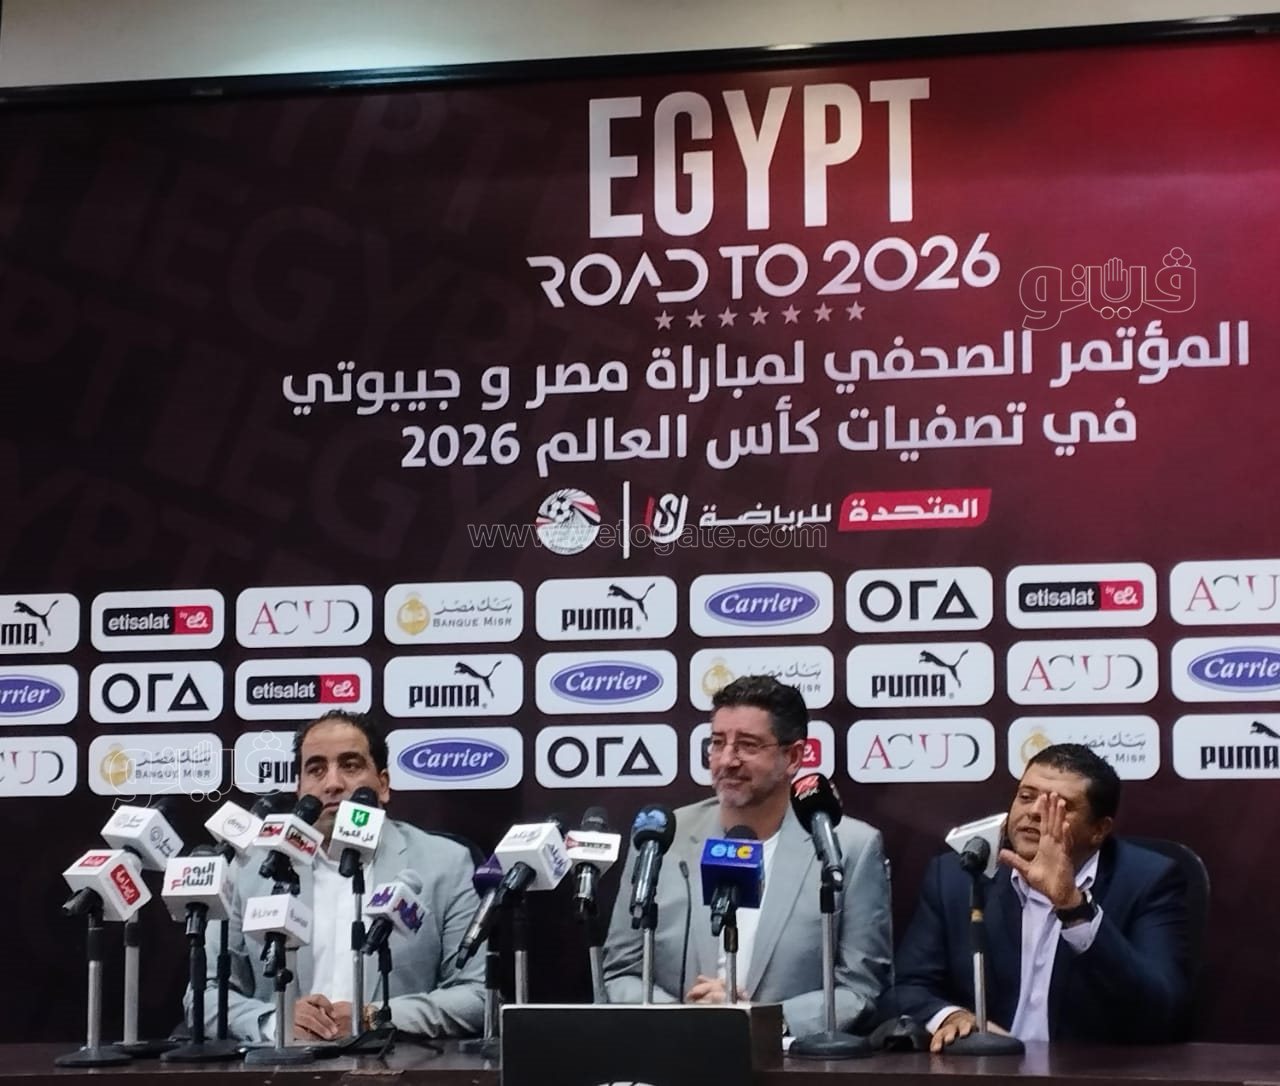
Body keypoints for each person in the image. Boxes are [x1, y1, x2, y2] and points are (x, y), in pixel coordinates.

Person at [602, 675, 893, 1035]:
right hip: (674, 1049)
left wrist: (762, 1019)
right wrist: (686, 1020)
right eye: (717, 743)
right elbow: (622, 971)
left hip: (789, 1058)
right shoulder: (661, 837)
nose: (727, 760)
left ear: (793, 757)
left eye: (747, 746)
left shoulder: (849, 847)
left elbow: (861, 988)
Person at [189, 710, 484, 1042]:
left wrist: (373, 1017)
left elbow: (476, 995)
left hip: (394, 1062)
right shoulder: (250, 868)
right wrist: (275, 1021)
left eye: (350, 766)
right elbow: (204, 995)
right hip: (283, 1063)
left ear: (383, 785)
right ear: (299, 788)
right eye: (316, 769)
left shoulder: (444, 864)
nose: (332, 783)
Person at [892, 743, 1191, 1049]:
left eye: (1058, 806)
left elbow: (1162, 1010)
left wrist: (1073, 907)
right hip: (987, 1067)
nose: (1034, 812)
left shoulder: (1147, 881)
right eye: (1026, 797)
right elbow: (907, 987)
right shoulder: (961, 875)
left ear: (1099, 830)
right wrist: (953, 1017)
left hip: (1087, 1069)